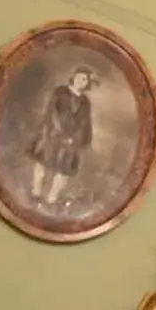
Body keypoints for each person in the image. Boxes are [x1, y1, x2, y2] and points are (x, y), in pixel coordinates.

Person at [27, 64, 97, 207]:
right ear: (74, 77)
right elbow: (52, 113)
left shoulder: (85, 102)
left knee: (64, 169)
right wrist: (61, 133)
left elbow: (85, 122)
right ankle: (36, 193)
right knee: (42, 163)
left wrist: (77, 139)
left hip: (71, 141)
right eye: (80, 78)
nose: (81, 81)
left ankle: (51, 200)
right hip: (51, 134)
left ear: (87, 84)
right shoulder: (60, 92)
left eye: (85, 80)